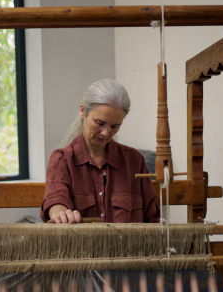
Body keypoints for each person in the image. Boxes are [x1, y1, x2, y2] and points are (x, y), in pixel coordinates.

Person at [40, 79, 160, 223]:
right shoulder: (62, 160)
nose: (105, 133)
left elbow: (152, 218)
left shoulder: (134, 161)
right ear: (83, 110)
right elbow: (56, 199)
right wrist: (61, 213)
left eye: (115, 126)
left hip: (127, 246)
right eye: (100, 123)